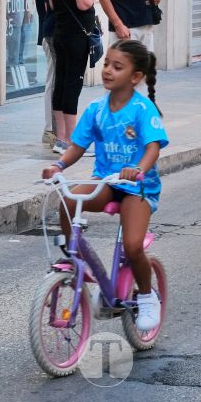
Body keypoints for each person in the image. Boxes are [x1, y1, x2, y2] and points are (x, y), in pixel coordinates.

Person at [42, 40, 167, 331]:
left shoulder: (142, 109)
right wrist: (58, 166)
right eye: (107, 64)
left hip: (138, 187)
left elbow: (152, 149)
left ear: (135, 77)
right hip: (107, 182)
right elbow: (77, 146)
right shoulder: (96, 109)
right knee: (66, 200)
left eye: (117, 67)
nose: (108, 70)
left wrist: (138, 170)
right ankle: (75, 261)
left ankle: (147, 297)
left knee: (134, 246)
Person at [46, 0, 102, 155]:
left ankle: (60, 138)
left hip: (60, 31)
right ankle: (72, 140)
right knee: (73, 85)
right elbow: (84, 2)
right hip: (76, 36)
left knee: (61, 82)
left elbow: (50, 2)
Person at [34, 0, 61, 146]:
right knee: (53, 81)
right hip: (52, 34)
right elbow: (49, 6)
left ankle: (52, 128)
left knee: (54, 80)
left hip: (48, 32)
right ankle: (50, 129)